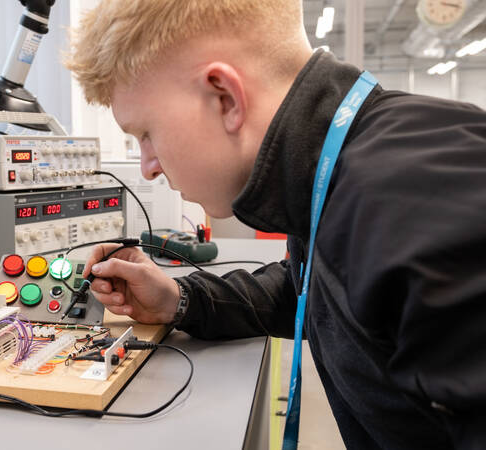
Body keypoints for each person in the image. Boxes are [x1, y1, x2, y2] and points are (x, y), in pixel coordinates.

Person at [65, 1, 486, 449]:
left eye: (146, 133)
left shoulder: (422, 203)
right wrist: (179, 300)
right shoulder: (342, 177)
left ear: (224, 97)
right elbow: (312, 289)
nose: (148, 167)